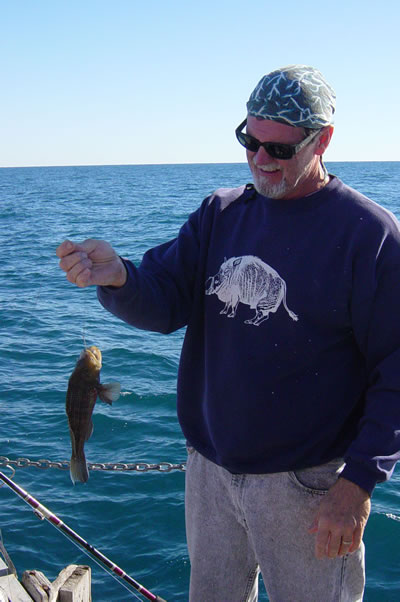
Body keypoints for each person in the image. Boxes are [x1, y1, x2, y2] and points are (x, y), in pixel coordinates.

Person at [56, 65, 400, 602]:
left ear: (323, 140)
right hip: (209, 474)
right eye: (250, 141)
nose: (261, 159)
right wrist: (119, 276)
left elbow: (395, 370)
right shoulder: (220, 214)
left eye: (280, 149)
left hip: (309, 485)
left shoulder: (370, 235)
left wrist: (357, 483)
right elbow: (164, 300)